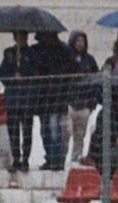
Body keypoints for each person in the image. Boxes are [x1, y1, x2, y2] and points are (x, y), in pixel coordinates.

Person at [30, 31, 71, 171]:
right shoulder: (36, 51)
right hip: (42, 97)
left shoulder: (63, 50)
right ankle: (49, 157)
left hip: (57, 97)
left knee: (54, 127)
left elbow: (69, 72)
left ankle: (57, 159)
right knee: (44, 129)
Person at [0, 31, 37, 172]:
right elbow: (1, 73)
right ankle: (16, 157)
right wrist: (12, 76)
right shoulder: (9, 53)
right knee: (13, 130)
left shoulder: (32, 53)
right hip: (13, 99)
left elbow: (36, 73)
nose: (21, 39)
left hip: (27, 98)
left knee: (27, 130)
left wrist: (24, 74)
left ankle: (25, 159)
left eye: (23, 36)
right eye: (18, 36)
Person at [65, 32, 98, 164]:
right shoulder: (67, 59)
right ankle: (63, 158)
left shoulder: (90, 61)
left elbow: (96, 80)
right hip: (69, 103)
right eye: (77, 40)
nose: (80, 43)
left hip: (85, 104)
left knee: (80, 134)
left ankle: (75, 158)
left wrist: (92, 103)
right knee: (66, 132)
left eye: (82, 41)